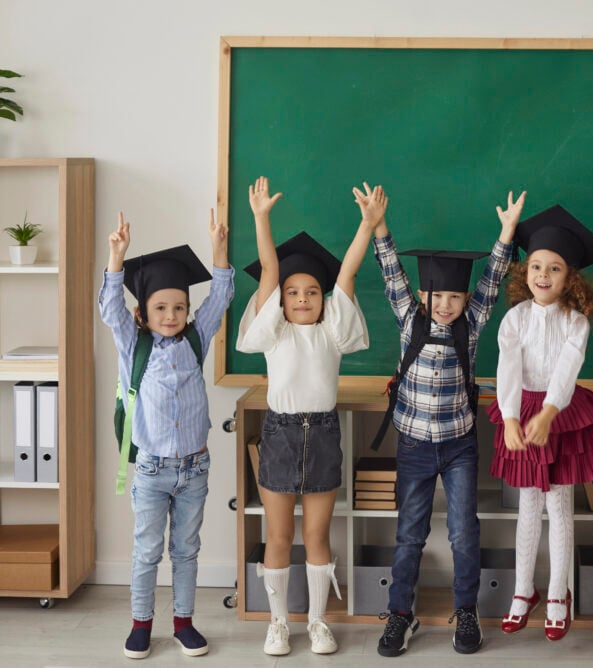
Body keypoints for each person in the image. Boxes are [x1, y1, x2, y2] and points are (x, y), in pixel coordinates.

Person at [371, 190, 526, 657]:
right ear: (422, 295)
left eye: (455, 296)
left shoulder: (471, 324)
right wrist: (380, 226)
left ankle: (466, 612)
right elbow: (390, 271)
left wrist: (507, 231)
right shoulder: (408, 319)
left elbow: (493, 280)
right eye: (438, 296)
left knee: (463, 531)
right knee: (409, 533)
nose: (446, 304)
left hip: (459, 444)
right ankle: (401, 614)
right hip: (414, 446)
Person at [236, 177, 373, 656]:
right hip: (280, 434)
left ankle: (317, 622)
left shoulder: (332, 332)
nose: (300, 298)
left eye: (311, 292)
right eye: (292, 293)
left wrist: (367, 225)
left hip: (324, 434)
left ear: (323, 300)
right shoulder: (274, 334)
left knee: (316, 535)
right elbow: (269, 273)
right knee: (278, 534)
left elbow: (348, 275)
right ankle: (278, 623)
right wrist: (260, 218)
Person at [100, 210, 234, 659]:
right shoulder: (132, 344)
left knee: (187, 550)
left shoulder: (198, 338)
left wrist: (218, 249)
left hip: (195, 468)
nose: (172, 314)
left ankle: (183, 623)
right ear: (143, 313)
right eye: (161, 307)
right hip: (153, 471)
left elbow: (222, 294)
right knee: (146, 552)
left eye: (180, 307)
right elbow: (110, 308)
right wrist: (116, 257)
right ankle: (141, 625)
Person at [489, 204, 593, 643]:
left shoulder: (575, 322)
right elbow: (507, 368)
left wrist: (549, 412)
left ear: (569, 278)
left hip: (560, 414)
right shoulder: (514, 318)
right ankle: (525, 591)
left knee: (560, 507)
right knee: (527, 507)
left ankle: (559, 595)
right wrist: (508, 417)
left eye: (554, 268)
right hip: (520, 409)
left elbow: (567, 368)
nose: (544, 275)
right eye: (537, 266)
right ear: (526, 273)